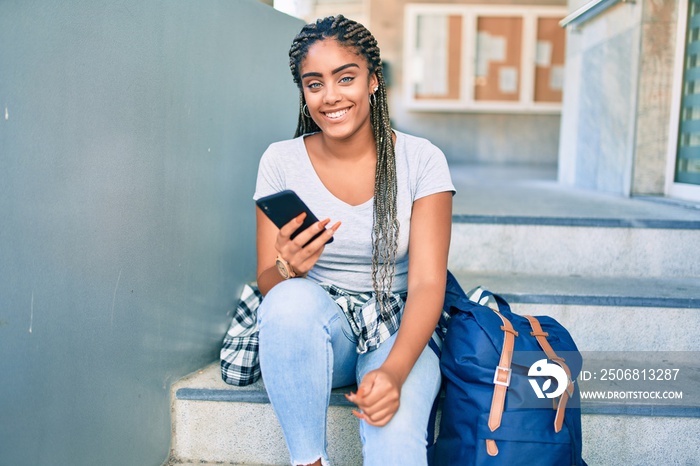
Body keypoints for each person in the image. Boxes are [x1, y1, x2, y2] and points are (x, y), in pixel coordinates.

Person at [253, 15, 455, 466]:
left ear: (373, 82)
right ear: (304, 93)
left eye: (346, 78)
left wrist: (395, 371)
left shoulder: (421, 160)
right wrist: (289, 269)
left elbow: (427, 284)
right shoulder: (280, 161)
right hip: (321, 331)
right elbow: (269, 285)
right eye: (314, 83)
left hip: (399, 326)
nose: (331, 96)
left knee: (397, 444)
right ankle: (309, 460)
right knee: (288, 301)